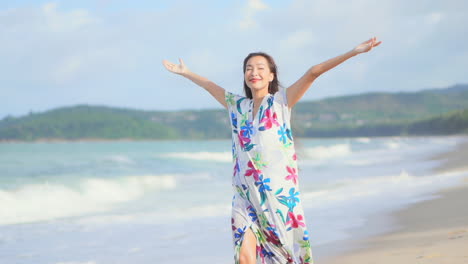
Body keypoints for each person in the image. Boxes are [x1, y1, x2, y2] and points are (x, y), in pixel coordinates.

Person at [162, 37, 381, 264]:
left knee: (281, 258)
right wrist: (186, 72)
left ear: (271, 76)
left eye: (259, 68)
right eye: (248, 68)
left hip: (277, 198)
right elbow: (209, 85)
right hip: (244, 198)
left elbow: (314, 72)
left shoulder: (281, 102)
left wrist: (353, 52)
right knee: (245, 258)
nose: (253, 72)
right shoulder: (238, 107)